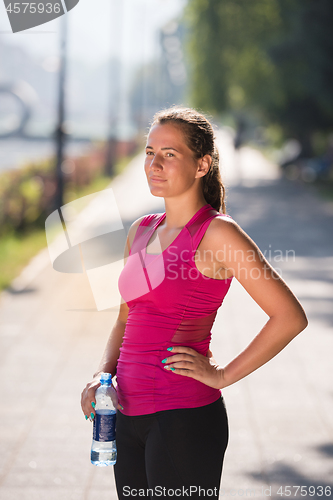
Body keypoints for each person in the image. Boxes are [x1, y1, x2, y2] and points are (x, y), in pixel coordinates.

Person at [81, 107, 308, 499]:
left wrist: (223, 375)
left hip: (182, 418)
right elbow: (125, 318)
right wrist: (102, 377)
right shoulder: (141, 230)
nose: (154, 163)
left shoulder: (217, 233)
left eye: (169, 154)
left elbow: (289, 317)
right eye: (150, 152)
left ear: (202, 164)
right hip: (125, 416)